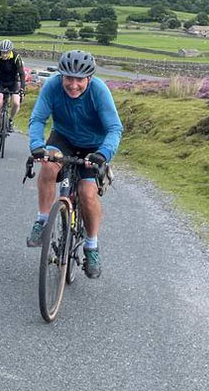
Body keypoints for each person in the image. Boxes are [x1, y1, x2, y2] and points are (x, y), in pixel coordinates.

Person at [25, 50, 122, 279]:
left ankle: (91, 246)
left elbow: (114, 128)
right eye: (69, 78)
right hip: (63, 139)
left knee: (87, 193)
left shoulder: (99, 91)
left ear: (89, 78)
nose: (73, 85)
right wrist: (37, 146)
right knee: (49, 165)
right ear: (61, 76)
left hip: (94, 147)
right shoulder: (52, 87)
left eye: (79, 79)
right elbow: (38, 119)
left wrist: (103, 153)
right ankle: (42, 221)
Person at [0, 39, 26, 141]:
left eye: (6, 52)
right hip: (1, 81)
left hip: (14, 81)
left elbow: (22, 73)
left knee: (16, 103)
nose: (4, 54)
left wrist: (22, 88)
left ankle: (10, 121)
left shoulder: (16, 57)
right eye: (3, 52)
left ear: (10, 51)